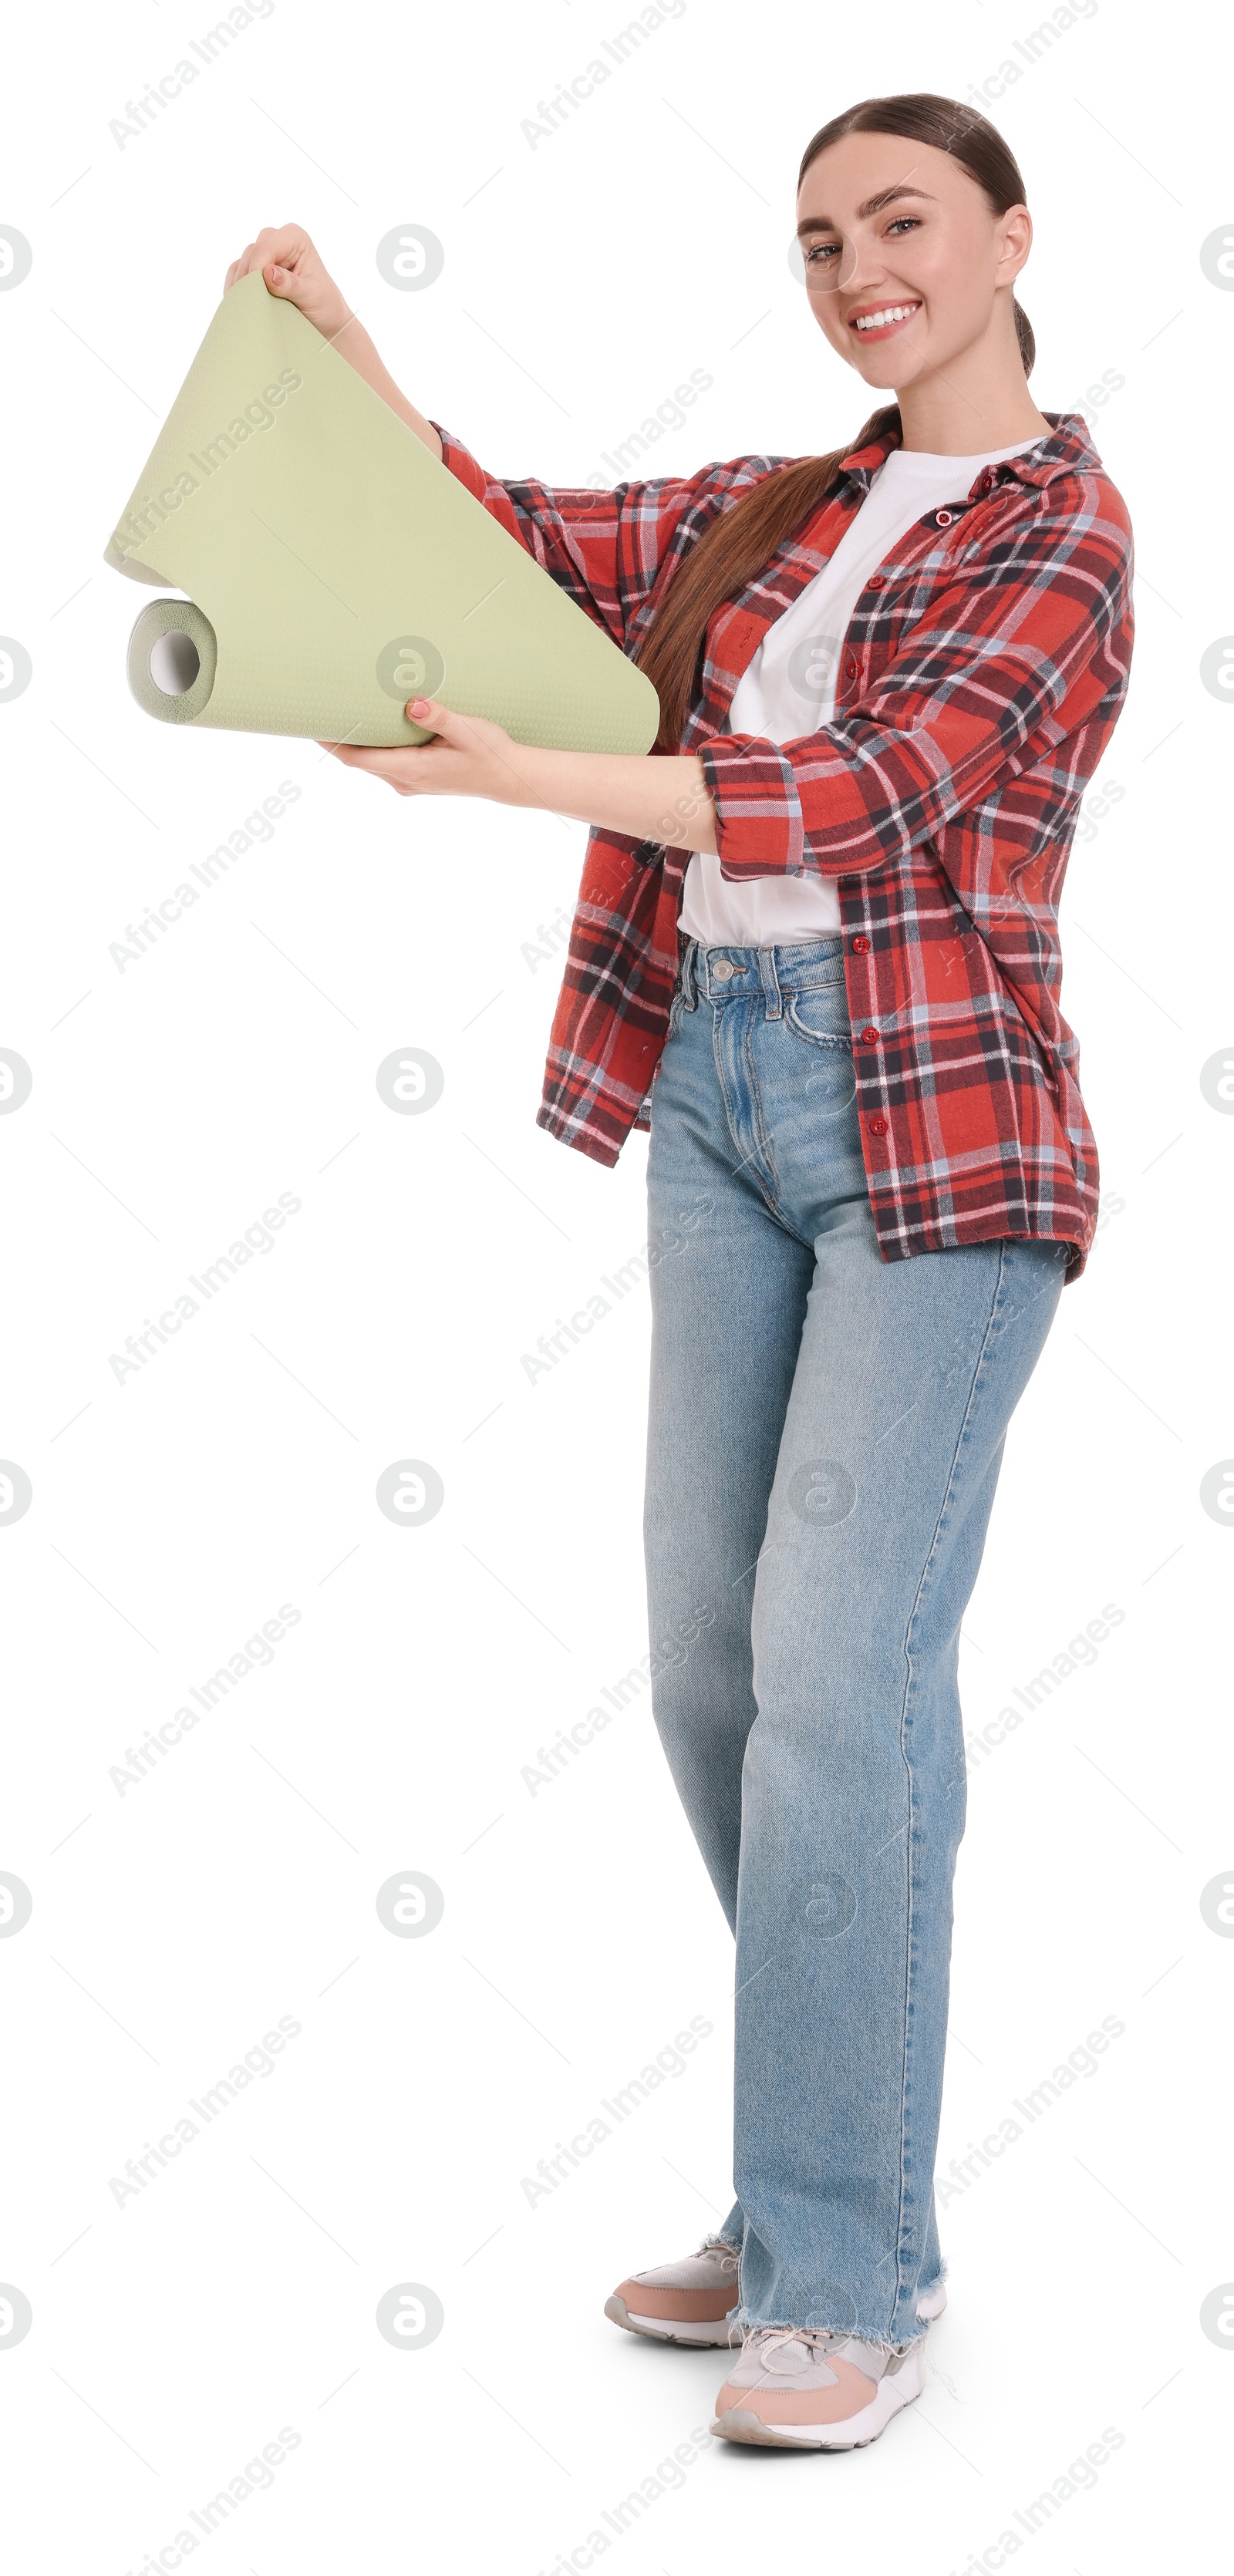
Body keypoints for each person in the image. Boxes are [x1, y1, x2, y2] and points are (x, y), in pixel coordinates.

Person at [226, 89, 1134, 2452]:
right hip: (718, 1102)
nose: (861, 270)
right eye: (825, 235)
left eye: (906, 221)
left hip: (937, 1141)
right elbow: (531, 547)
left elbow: (873, 801)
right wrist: (347, 367)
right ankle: (828, 2167)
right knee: (711, 1673)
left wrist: (522, 781)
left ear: (1014, 232)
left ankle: (844, 2259)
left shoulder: (1066, 532)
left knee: (841, 1674)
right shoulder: (780, 507)